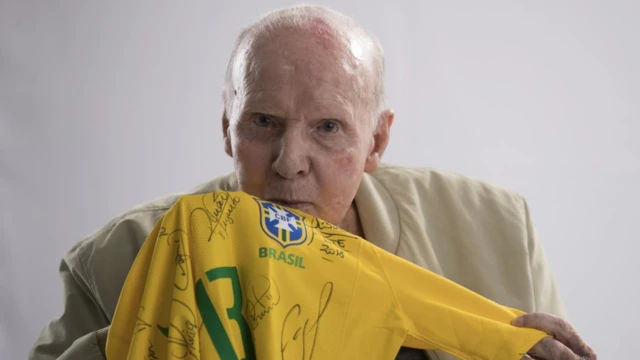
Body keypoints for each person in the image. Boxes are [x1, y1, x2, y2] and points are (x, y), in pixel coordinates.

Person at [29, 4, 596, 360]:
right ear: (228, 128)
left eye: (328, 127)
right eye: (264, 123)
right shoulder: (113, 263)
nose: (289, 162)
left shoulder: (498, 230)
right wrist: (134, 340)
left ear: (376, 141)